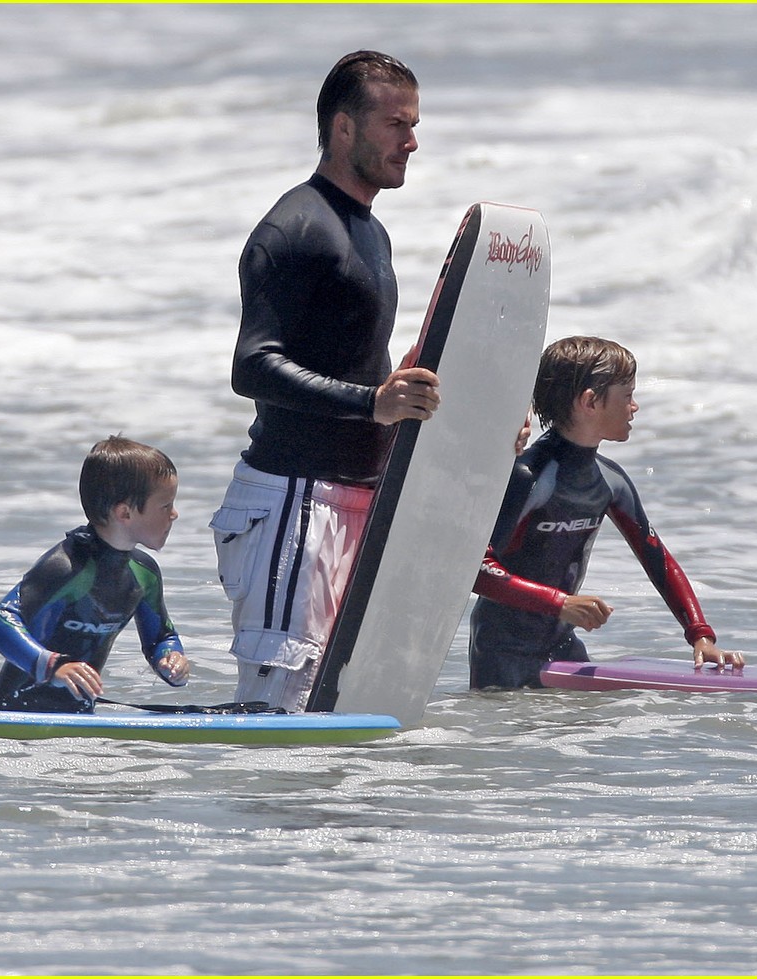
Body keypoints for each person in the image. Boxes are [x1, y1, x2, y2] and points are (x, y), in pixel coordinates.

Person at [210, 51, 440, 712]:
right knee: (281, 706)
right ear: (344, 129)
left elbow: (364, 366)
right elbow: (251, 364)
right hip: (294, 501)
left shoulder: (370, 233)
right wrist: (373, 402)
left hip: (352, 499)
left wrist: (448, 412)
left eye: (414, 124)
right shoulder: (295, 229)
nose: (412, 140)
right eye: (396, 124)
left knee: (339, 711)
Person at [469, 336, 743, 689]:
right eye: (627, 395)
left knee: (584, 738)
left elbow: (657, 558)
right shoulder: (529, 477)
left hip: (562, 646)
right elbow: (477, 570)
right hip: (502, 653)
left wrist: (700, 637)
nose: (635, 407)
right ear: (590, 402)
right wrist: (559, 602)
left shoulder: (609, 479)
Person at [0, 436, 191, 713]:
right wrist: (53, 665)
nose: (174, 514)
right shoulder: (66, 567)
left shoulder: (144, 573)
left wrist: (170, 658)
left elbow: (160, 638)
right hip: (13, 715)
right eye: (166, 505)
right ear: (125, 513)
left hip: (78, 720)